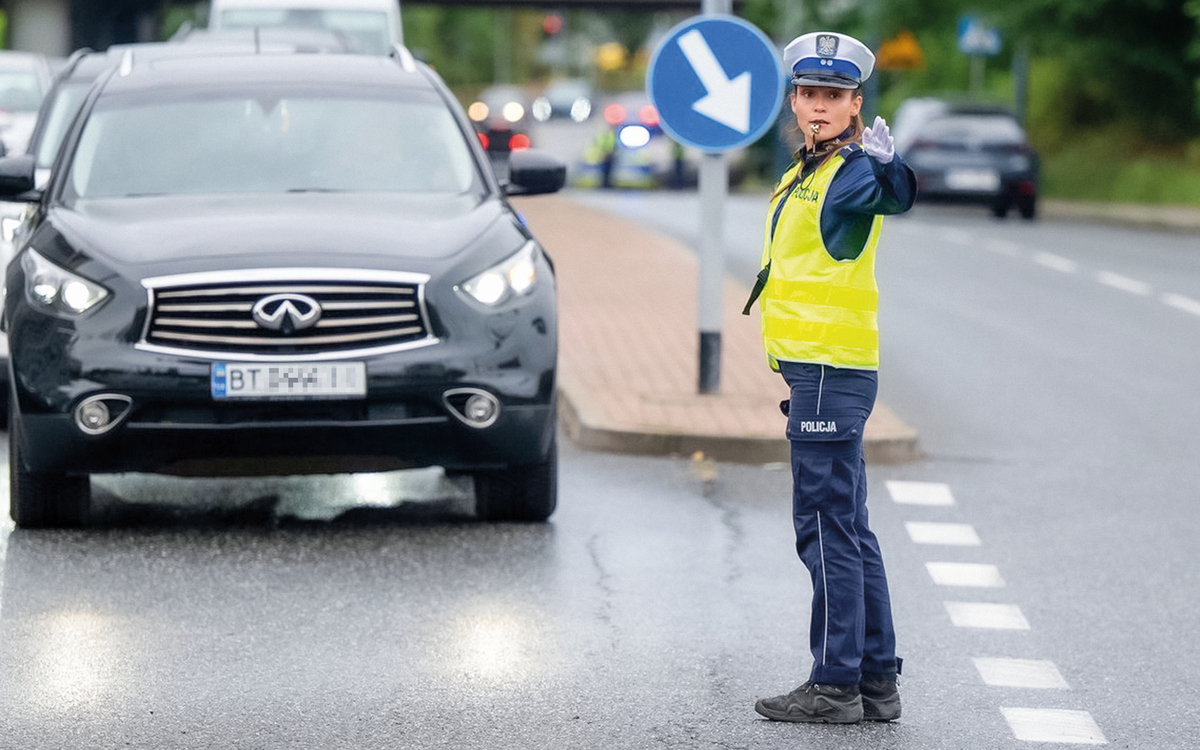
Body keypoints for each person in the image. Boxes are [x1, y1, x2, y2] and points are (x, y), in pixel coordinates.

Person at [743, 31, 917, 724]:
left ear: (854, 106)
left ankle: (834, 683)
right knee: (849, 526)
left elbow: (891, 195)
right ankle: (876, 680)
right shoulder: (806, 172)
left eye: (834, 97)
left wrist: (892, 167)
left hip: (828, 372)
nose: (819, 106)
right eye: (810, 94)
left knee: (823, 529)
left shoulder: (848, 172)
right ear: (794, 100)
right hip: (822, 370)